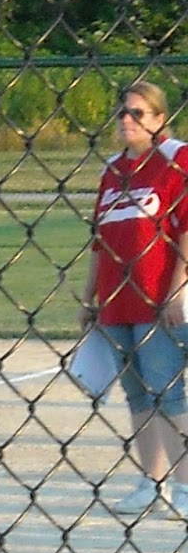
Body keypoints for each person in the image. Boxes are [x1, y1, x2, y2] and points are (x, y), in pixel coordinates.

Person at [80, 81, 188, 516]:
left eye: (138, 113)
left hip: (157, 298)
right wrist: (89, 298)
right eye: (122, 112)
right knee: (138, 396)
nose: (127, 120)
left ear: (159, 119)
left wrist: (178, 287)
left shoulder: (175, 160)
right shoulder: (112, 170)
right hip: (116, 300)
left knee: (167, 393)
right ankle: (151, 483)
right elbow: (99, 242)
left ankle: (185, 486)